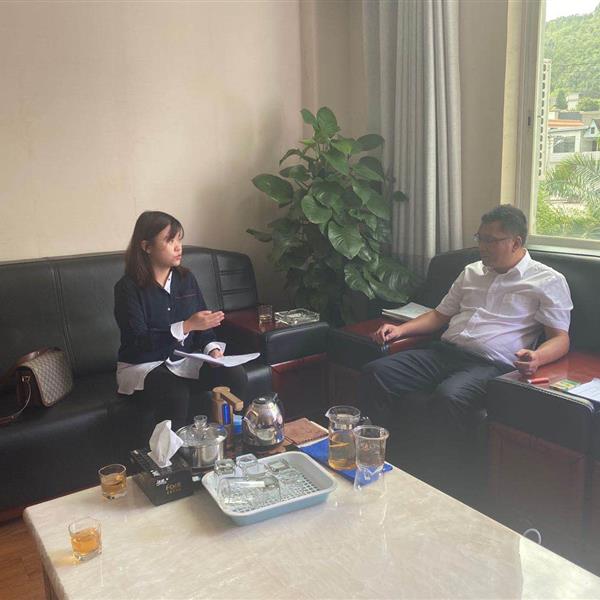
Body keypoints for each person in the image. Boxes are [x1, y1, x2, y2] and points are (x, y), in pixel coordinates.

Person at [362, 205, 573, 431]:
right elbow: (439, 315)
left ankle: (439, 456)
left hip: (489, 365)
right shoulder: (472, 271)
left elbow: (560, 338)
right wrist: (400, 330)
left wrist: (537, 357)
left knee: (449, 397)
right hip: (443, 353)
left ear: (516, 242)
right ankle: (376, 445)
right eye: (480, 238)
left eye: (490, 240)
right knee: (376, 373)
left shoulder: (548, 280)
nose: (482, 247)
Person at [114, 210, 239, 437]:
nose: (178, 247)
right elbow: (140, 341)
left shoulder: (186, 279)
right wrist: (186, 326)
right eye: (170, 241)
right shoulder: (127, 289)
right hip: (143, 365)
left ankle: (234, 442)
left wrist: (212, 350)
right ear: (146, 246)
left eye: (179, 240)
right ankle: (172, 455)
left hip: (182, 361)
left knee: (235, 375)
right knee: (175, 392)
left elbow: (202, 326)